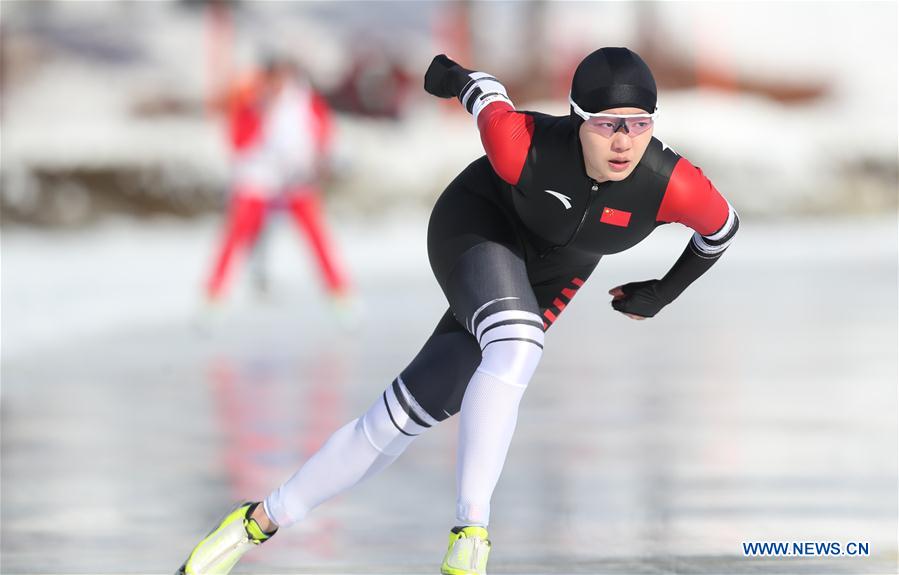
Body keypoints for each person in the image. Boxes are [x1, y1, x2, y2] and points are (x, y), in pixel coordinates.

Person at [177, 47, 739, 575]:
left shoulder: (671, 183)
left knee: (405, 416)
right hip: (476, 228)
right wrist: (447, 74)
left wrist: (664, 290)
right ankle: (471, 532)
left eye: (639, 123)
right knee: (518, 345)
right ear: (576, 117)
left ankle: (256, 522)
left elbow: (722, 230)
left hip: (552, 275)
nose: (624, 141)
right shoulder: (526, 144)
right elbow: (485, 92)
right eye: (606, 123)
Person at [204, 56, 352, 309]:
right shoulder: (252, 101)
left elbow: (322, 134)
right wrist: (260, 114)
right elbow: (238, 142)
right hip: (258, 180)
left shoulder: (305, 101)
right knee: (236, 236)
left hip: (295, 181)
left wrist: (318, 160)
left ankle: (340, 295)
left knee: (316, 236)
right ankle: (213, 297)